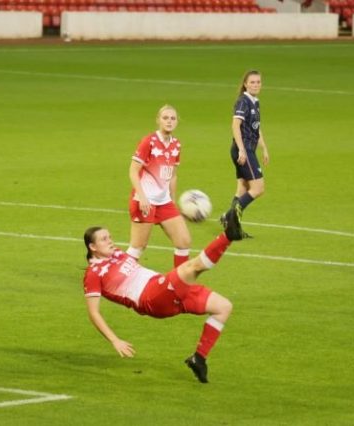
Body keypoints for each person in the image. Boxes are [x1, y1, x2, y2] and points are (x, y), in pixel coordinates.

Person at [82, 213, 243, 384]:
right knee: (191, 268)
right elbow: (93, 313)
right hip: (151, 298)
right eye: (104, 239)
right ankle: (228, 235)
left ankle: (199, 358)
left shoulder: (117, 255)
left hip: (160, 288)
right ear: (92, 246)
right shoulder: (93, 274)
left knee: (223, 307)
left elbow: (139, 245)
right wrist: (115, 340)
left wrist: (150, 215)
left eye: (110, 237)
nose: (110, 241)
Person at [127, 105, 192, 267]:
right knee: (138, 246)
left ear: (177, 122)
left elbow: (172, 175)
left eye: (173, 118)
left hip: (164, 202)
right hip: (145, 200)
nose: (169, 121)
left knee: (184, 242)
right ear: (158, 120)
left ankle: (179, 285)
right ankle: (117, 278)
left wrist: (173, 200)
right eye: (165, 118)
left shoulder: (176, 144)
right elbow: (133, 171)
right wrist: (142, 198)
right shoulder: (149, 142)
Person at [221, 70, 270, 237]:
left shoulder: (255, 102)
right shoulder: (243, 102)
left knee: (243, 187)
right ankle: (229, 217)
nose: (256, 85)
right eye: (252, 82)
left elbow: (256, 127)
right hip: (243, 150)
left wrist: (263, 147)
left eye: (258, 82)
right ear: (245, 84)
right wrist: (242, 149)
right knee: (258, 188)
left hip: (248, 149)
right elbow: (235, 126)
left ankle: (233, 227)